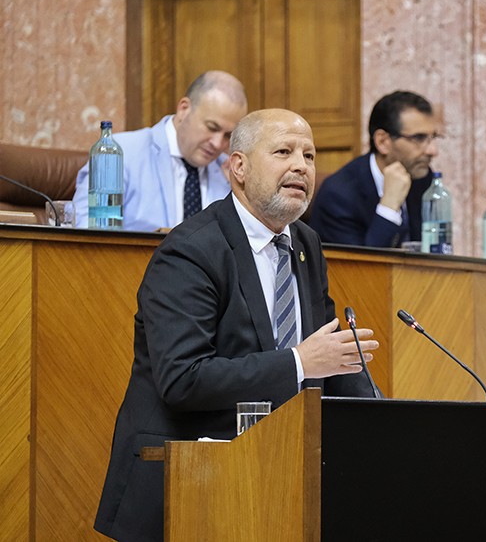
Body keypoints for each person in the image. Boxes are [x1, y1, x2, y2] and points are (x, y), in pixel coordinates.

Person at [93, 108, 380, 541]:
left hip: (272, 476)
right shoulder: (190, 251)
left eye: (310, 155)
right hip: (184, 483)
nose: (301, 165)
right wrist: (299, 362)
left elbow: (330, 353)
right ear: (239, 167)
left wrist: (387, 422)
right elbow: (183, 378)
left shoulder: (305, 243)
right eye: (283, 151)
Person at [73, 70, 249, 231]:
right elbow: (86, 234)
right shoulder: (118, 154)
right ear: (184, 109)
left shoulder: (228, 175)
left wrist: (240, 196)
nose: (218, 144)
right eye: (211, 127)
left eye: (228, 136)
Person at [308, 90, 441, 247]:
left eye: (433, 138)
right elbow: (363, 269)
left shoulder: (422, 179)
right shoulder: (339, 195)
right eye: (419, 138)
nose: (433, 151)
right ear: (383, 141)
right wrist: (389, 206)